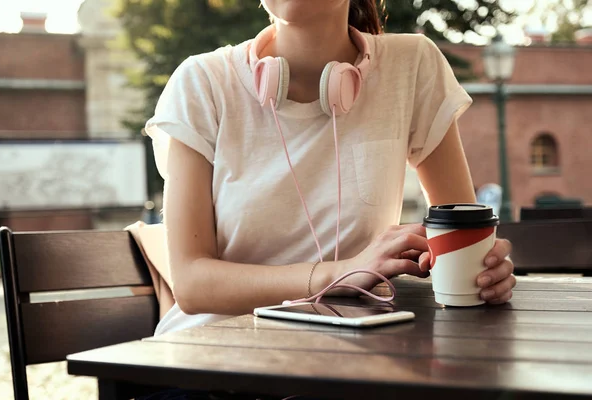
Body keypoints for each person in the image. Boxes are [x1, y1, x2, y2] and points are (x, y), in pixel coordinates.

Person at [145, 0, 515, 342]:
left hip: (345, 358)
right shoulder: (202, 81)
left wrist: (482, 273)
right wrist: (344, 272)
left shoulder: (413, 65)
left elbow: (460, 236)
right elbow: (192, 284)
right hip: (211, 362)